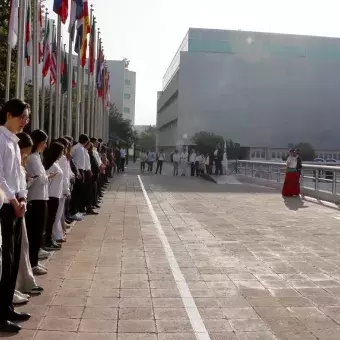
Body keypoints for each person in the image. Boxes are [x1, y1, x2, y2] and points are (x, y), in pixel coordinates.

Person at [0, 98, 31, 333]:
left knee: (13, 260)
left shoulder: (14, 141)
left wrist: (22, 197)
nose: (25, 122)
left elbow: (18, 177)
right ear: (10, 114)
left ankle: (7, 306)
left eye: (27, 118)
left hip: (15, 207)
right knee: (5, 261)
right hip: (4, 206)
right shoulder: (1, 139)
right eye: (23, 117)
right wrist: (13, 199)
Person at [16, 132, 44, 296]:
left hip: (21, 205)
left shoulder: (22, 162)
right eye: (24, 151)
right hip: (12, 206)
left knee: (23, 246)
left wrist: (22, 197)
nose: (25, 154)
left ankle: (23, 281)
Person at [25, 129, 51, 274]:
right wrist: (47, 177)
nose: (45, 145)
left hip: (41, 197)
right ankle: (33, 263)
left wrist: (45, 177)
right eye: (43, 143)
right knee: (34, 233)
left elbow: (41, 177)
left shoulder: (36, 157)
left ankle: (34, 261)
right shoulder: (33, 158)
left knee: (37, 231)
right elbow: (40, 179)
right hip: (35, 198)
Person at [43, 142, 64, 250]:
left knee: (53, 218)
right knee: (50, 219)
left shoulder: (56, 163)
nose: (62, 154)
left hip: (56, 194)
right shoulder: (50, 165)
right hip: (51, 195)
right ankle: (47, 241)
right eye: (61, 151)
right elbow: (46, 179)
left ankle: (50, 239)